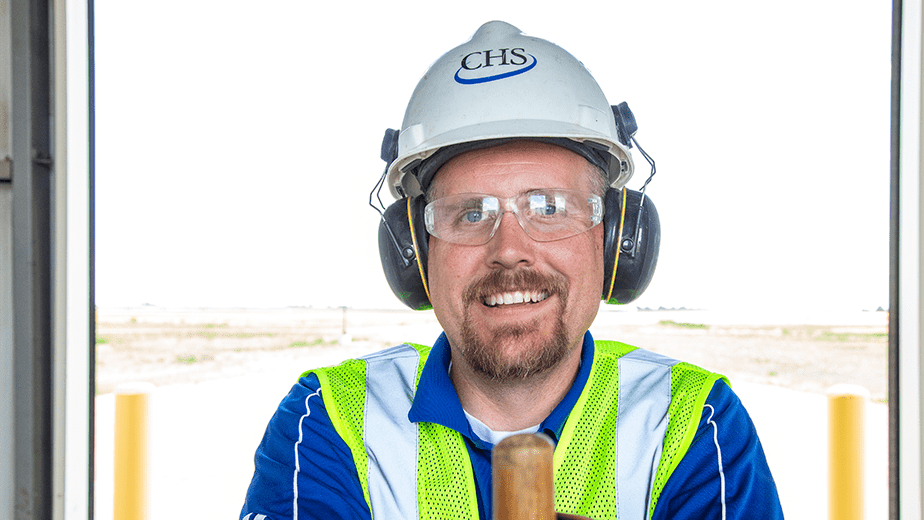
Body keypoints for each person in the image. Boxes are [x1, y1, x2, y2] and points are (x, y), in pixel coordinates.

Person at [241, 21, 783, 520]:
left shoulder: (692, 421)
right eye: (470, 213)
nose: (509, 250)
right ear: (416, 250)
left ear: (616, 240)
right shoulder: (331, 419)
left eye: (549, 208)